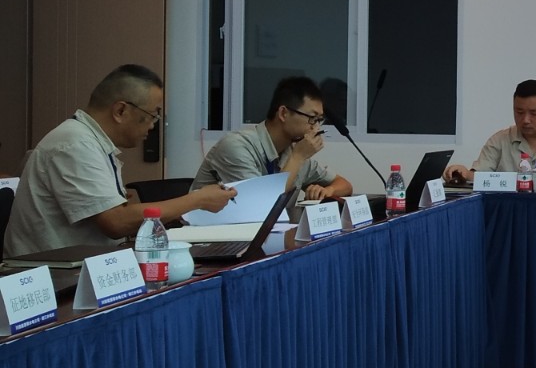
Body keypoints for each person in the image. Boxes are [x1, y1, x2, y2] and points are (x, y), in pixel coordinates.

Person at [3, 64, 235, 258]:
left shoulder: (91, 140)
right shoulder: (75, 144)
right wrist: (198, 200)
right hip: (50, 278)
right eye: (152, 115)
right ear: (121, 111)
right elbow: (116, 223)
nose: (152, 125)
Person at [192, 76, 353, 201]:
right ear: (283, 113)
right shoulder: (236, 147)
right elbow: (264, 202)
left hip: (263, 231)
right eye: (312, 118)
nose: (315, 128)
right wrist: (298, 157)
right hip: (210, 232)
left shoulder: (293, 150)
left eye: (319, 120)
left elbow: (345, 185)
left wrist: (328, 190)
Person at [444, 79, 536, 187]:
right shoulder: (499, 140)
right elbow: (481, 176)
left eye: (534, 113)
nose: (525, 120)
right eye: (519, 112)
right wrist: (464, 173)